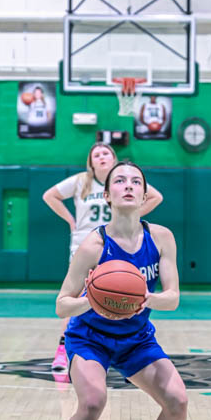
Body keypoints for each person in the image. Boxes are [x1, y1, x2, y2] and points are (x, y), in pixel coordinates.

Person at [52, 160, 187, 420]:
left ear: (144, 195)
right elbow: (62, 305)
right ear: (107, 195)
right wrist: (91, 299)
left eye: (136, 181)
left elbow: (172, 298)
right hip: (90, 337)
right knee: (92, 402)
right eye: (120, 181)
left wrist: (147, 298)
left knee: (177, 401)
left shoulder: (161, 238)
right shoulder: (93, 246)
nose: (128, 185)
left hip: (136, 339)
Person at [43, 144, 162, 369]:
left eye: (106, 153)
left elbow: (156, 197)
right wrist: (70, 220)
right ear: (91, 162)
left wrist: (133, 213)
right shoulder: (80, 181)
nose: (101, 157)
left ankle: (128, 349)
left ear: (114, 158)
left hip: (117, 242)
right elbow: (50, 196)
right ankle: (63, 348)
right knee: (76, 296)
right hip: (86, 245)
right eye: (96, 155)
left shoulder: (124, 180)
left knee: (123, 292)